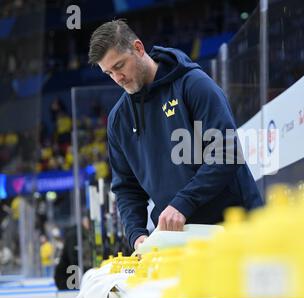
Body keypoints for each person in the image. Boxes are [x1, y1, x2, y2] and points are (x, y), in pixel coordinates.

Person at [88, 20, 263, 251]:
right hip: (178, 242)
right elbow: (126, 188)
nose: (117, 78)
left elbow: (225, 153)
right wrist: (136, 234)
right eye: (109, 72)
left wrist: (183, 203)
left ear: (138, 48)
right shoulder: (118, 120)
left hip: (235, 229)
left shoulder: (193, 84)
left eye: (120, 65)